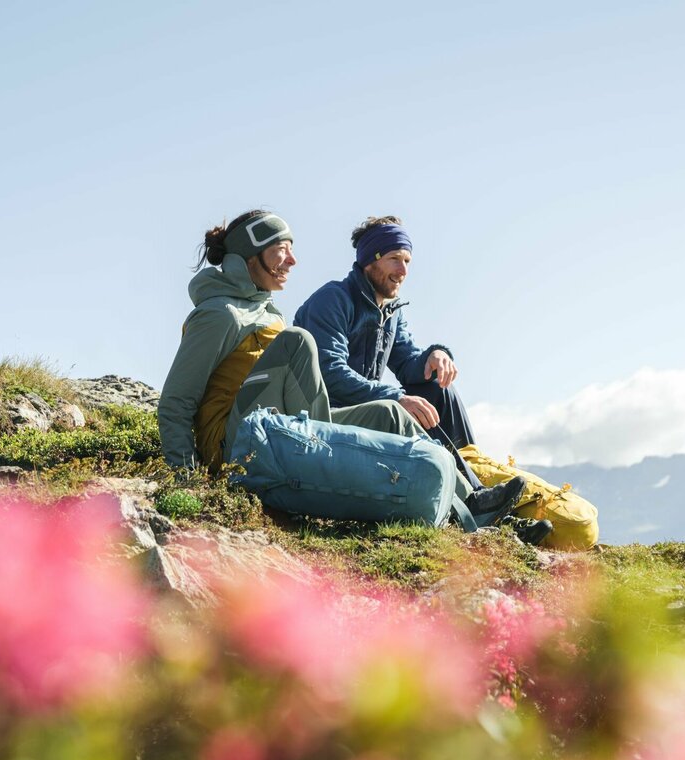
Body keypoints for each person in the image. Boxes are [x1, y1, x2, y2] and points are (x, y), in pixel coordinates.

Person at [157, 209, 524, 527]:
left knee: (388, 413)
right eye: (281, 250)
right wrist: (188, 483)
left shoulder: (269, 314)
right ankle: (325, 453)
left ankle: (474, 505)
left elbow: (406, 359)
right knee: (298, 341)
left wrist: (434, 355)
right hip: (233, 445)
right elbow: (176, 401)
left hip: (281, 427)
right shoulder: (218, 315)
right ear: (249, 256)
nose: (293, 261)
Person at [294, 215, 552, 546]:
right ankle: (476, 501)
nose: (403, 271)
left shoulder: (389, 310)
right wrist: (396, 397)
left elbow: (406, 362)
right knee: (402, 407)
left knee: (435, 387)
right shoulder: (333, 300)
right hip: (328, 413)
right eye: (395, 259)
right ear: (370, 261)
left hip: (371, 406)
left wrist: (435, 355)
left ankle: (486, 501)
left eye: (407, 261)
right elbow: (328, 374)